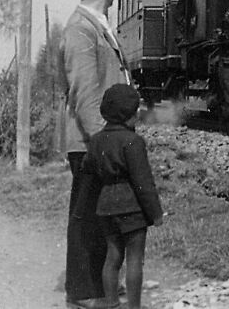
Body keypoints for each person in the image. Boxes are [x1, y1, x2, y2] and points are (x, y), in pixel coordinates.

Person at [61, 0, 131, 309]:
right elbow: (84, 92)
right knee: (88, 214)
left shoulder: (95, 24)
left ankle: (99, 287)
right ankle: (83, 292)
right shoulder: (81, 28)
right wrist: (105, 142)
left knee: (102, 214)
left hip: (99, 138)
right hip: (90, 141)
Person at [82, 84, 163, 309]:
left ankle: (111, 303)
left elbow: (87, 168)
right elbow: (143, 183)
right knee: (135, 259)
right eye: (135, 111)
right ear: (129, 115)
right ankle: (134, 307)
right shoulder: (133, 142)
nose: (138, 115)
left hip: (106, 207)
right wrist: (156, 213)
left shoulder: (96, 140)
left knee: (113, 256)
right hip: (132, 208)